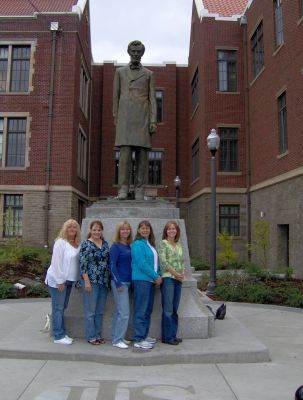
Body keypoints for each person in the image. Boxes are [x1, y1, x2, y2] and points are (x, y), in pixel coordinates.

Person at [113, 40, 157, 200]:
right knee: (124, 155)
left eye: (139, 52)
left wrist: (153, 120)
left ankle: (140, 189)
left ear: (142, 53)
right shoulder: (120, 72)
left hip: (143, 117)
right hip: (125, 117)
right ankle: (123, 189)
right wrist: (116, 118)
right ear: (129, 52)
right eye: (133, 51)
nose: (136, 54)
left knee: (142, 156)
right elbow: (115, 96)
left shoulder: (149, 74)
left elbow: (152, 98)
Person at [45, 219, 81, 345]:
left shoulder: (77, 244)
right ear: (65, 229)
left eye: (74, 227)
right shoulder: (60, 243)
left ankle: (62, 332)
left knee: (62, 307)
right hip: (59, 281)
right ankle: (58, 336)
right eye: (69, 227)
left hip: (70, 281)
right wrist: (59, 281)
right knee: (58, 308)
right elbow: (56, 263)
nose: (72, 229)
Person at [131, 220, 162, 349]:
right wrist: (156, 276)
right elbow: (141, 263)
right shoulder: (137, 244)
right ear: (138, 230)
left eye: (147, 228)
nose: (145, 230)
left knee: (147, 311)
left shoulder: (151, 245)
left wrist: (158, 274)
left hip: (150, 282)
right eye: (142, 228)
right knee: (140, 310)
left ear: (150, 230)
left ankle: (144, 336)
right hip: (141, 281)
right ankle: (138, 339)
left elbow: (156, 263)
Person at [79, 220, 110, 345]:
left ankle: (97, 335)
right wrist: (86, 282)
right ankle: (91, 336)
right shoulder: (86, 244)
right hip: (91, 281)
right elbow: (83, 265)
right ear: (90, 231)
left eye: (99, 230)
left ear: (102, 231)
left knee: (100, 311)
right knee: (90, 311)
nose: (96, 232)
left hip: (103, 281)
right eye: (94, 229)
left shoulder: (105, 244)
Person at [159, 221, 185, 345]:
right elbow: (164, 262)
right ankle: (167, 337)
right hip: (168, 278)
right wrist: (176, 274)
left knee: (174, 309)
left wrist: (182, 273)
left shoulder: (179, 244)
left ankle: (173, 335)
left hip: (178, 280)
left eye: (173, 229)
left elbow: (182, 261)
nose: (171, 231)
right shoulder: (163, 244)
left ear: (177, 231)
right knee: (168, 309)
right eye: (169, 229)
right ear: (166, 231)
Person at [110, 220, 133, 349]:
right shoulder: (116, 246)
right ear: (119, 231)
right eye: (123, 229)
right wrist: (118, 282)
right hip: (120, 283)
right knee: (124, 312)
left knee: (120, 312)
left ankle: (117, 336)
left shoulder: (129, 246)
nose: (125, 231)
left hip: (129, 282)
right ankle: (117, 340)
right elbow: (112, 265)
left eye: (127, 229)